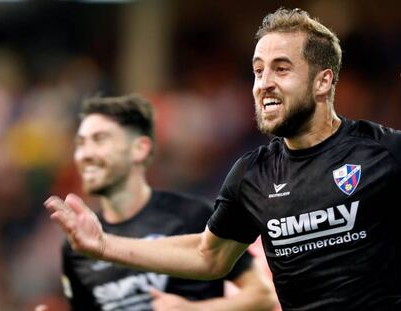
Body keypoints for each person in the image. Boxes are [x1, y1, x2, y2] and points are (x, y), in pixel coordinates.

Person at [44, 7, 401, 310]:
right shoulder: (252, 175)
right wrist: (105, 245)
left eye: (281, 68)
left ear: (323, 82)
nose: (264, 83)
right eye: (258, 70)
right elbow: (208, 255)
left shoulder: (384, 153)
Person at [43, 94, 276, 311]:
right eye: (81, 143)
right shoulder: (78, 246)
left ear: (139, 149)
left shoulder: (193, 216)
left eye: (100, 140)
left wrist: (194, 310)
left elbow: (263, 295)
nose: (85, 154)